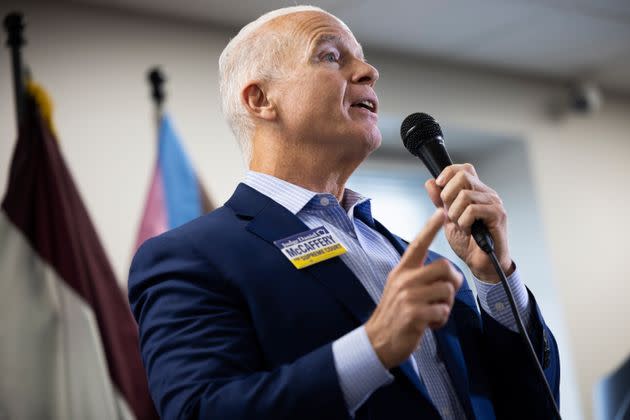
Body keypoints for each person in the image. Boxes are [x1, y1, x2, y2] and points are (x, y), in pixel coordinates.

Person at [128, 6, 560, 420]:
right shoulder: (191, 258)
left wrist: (494, 276)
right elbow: (202, 411)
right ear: (260, 99)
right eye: (331, 55)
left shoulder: (430, 264)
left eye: (365, 61)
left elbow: (531, 405)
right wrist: (373, 348)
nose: (369, 72)